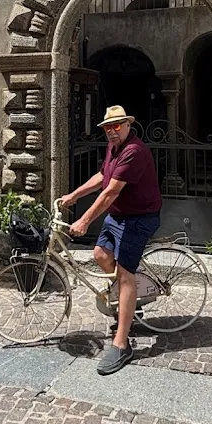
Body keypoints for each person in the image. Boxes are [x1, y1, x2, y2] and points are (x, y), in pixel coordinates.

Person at [60, 105, 162, 376]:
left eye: (117, 125)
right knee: (100, 255)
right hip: (118, 217)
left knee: (126, 276)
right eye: (107, 127)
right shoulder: (113, 148)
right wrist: (74, 195)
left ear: (128, 125)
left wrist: (84, 220)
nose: (111, 131)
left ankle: (122, 343)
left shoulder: (134, 151)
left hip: (139, 218)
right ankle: (131, 305)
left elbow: (110, 193)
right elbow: (102, 177)